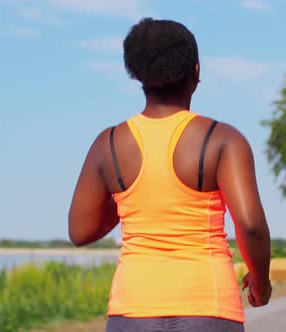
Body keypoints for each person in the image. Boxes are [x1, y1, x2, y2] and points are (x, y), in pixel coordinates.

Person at [68, 17, 272, 332]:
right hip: (209, 308)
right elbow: (250, 226)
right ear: (196, 71)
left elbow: (80, 231)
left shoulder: (108, 144)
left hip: (132, 311)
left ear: (138, 75)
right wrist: (261, 283)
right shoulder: (223, 139)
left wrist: (131, 197)